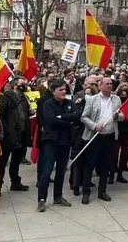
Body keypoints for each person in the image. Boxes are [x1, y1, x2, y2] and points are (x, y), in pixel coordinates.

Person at [37, 79, 81, 212]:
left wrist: (61, 117)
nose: (63, 91)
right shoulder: (48, 104)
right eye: (60, 89)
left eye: (64, 89)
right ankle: (41, 199)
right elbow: (51, 120)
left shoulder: (69, 103)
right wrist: (68, 121)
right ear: (53, 91)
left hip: (65, 141)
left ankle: (58, 196)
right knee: (47, 171)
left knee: (61, 172)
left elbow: (77, 116)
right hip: (51, 141)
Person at [80, 76, 123, 205]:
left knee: (106, 165)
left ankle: (102, 190)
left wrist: (118, 116)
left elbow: (122, 116)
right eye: (107, 84)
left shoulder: (116, 99)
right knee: (90, 165)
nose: (110, 86)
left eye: (111, 83)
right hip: (95, 136)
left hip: (109, 136)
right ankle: (86, 192)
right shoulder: (92, 100)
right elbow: (83, 117)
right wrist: (94, 126)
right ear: (100, 86)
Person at [0, 78, 30, 192]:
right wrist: (7, 131)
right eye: (22, 84)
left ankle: (15, 182)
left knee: (16, 161)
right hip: (9, 135)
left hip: (20, 134)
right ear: (14, 86)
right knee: (2, 162)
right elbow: (0, 116)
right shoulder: (5, 98)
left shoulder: (23, 97)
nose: (25, 86)